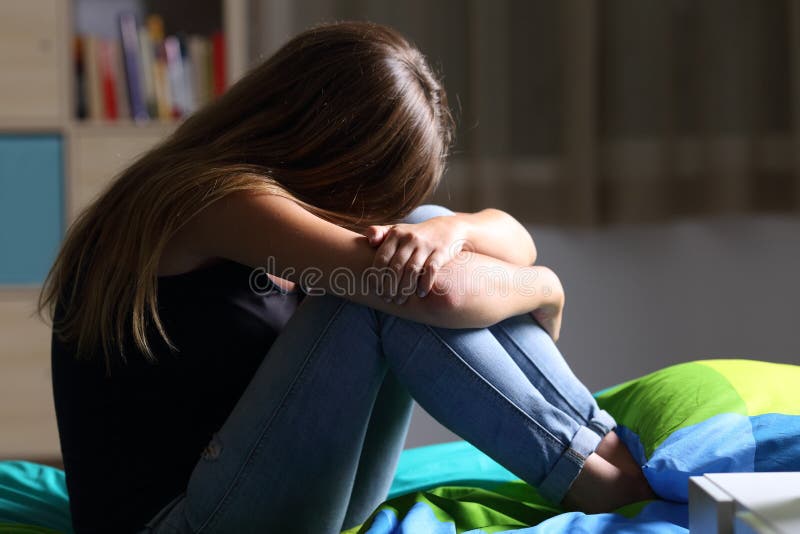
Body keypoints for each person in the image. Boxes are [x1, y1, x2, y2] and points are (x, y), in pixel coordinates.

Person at [40, 21, 655, 534]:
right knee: (380, 291)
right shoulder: (215, 201)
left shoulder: (270, 200)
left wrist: (457, 230)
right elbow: (435, 294)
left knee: (424, 230)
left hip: (279, 493)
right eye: (373, 191)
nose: (367, 215)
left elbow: (506, 242)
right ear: (328, 149)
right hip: (183, 523)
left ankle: (595, 447)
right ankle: (591, 472)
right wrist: (547, 287)